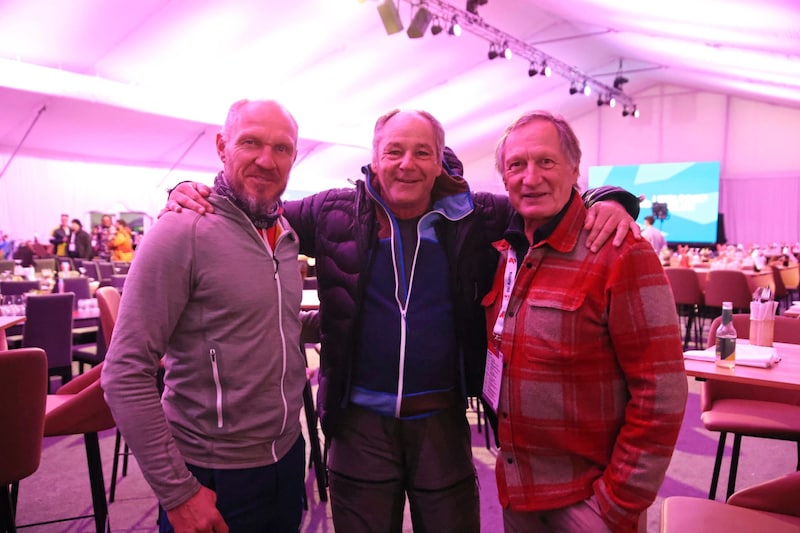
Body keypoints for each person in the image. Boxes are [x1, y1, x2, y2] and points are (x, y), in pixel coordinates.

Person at [166, 109, 641, 532]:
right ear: (374, 158)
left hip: (443, 422)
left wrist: (611, 199)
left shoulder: (476, 215)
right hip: (358, 427)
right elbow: (253, 206)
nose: (407, 164)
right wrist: (186, 189)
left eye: (422, 152)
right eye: (393, 151)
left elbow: (545, 198)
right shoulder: (330, 212)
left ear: (440, 161)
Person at [101, 99, 309, 533]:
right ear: (221, 146)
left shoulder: (285, 234)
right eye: (250, 143)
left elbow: (268, 324)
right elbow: (124, 372)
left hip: (286, 459)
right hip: (211, 474)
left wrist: (343, 318)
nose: (266, 160)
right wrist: (178, 493)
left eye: (282, 148)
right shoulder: (181, 230)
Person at [483, 110, 687, 532]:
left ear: (575, 169)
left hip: (589, 502)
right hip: (518, 492)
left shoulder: (618, 250)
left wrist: (618, 501)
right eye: (516, 165)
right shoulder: (505, 250)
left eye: (546, 162)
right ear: (503, 178)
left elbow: (662, 390)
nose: (529, 177)